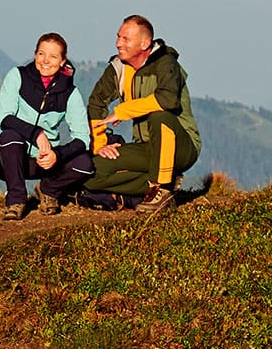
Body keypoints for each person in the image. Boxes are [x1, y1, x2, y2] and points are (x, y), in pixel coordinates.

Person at [83, 14, 201, 214]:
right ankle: (165, 183)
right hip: (145, 147)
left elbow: (167, 100)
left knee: (159, 115)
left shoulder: (166, 63)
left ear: (145, 43)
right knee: (89, 171)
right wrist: (100, 146)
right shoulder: (118, 69)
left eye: (125, 39)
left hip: (181, 146)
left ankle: (161, 191)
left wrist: (122, 112)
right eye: (118, 37)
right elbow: (96, 102)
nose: (118, 43)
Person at [0, 32, 94, 221]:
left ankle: (48, 190)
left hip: (44, 160)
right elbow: (4, 118)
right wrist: (36, 133)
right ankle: (16, 200)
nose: (45, 61)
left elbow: (82, 138)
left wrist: (57, 155)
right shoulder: (18, 76)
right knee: (10, 135)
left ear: (62, 62)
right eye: (41, 54)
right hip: (7, 157)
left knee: (85, 165)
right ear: (35, 55)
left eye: (53, 56)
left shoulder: (70, 92)